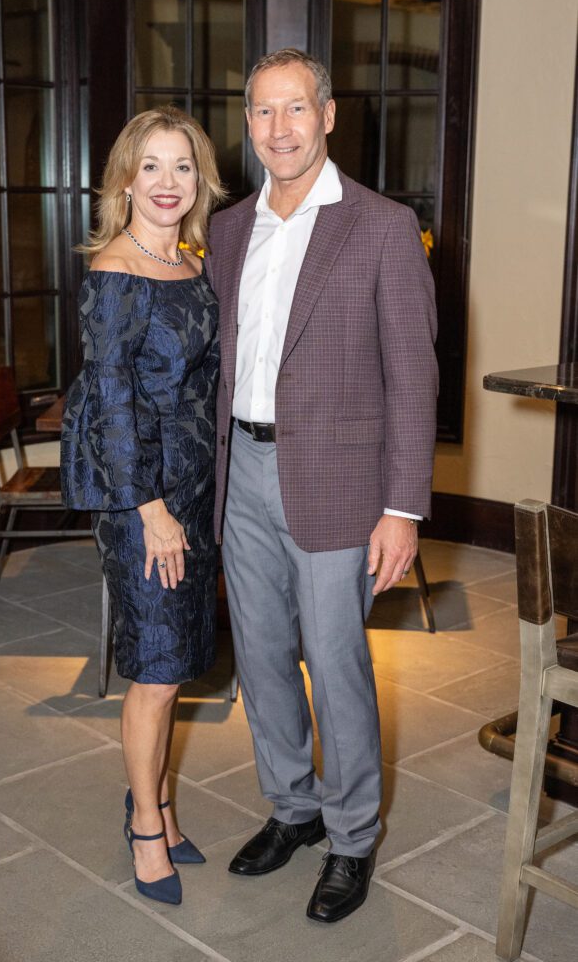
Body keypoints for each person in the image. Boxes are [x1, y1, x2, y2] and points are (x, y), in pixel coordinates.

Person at [206, 48, 438, 924]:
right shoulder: (230, 229)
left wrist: (401, 507)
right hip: (243, 470)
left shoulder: (380, 224)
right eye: (262, 112)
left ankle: (349, 839)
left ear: (328, 114)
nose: (278, 129)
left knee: (334, 663)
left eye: (294, 109)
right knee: (260, 658)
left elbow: (412, 375)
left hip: (340, 480)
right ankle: (293, 809)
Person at [61, 106, 224, 906]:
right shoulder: (114, 270)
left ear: (201, 178)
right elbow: (114, 401)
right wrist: (148, 507)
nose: (167, 183)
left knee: (182, 658)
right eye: (151, 166)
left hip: (195, 487)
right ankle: (144, 831)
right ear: (125, 178)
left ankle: (155, 797)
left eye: (182, 166)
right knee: (156, 674)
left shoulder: (192, 261)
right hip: (145, 496)